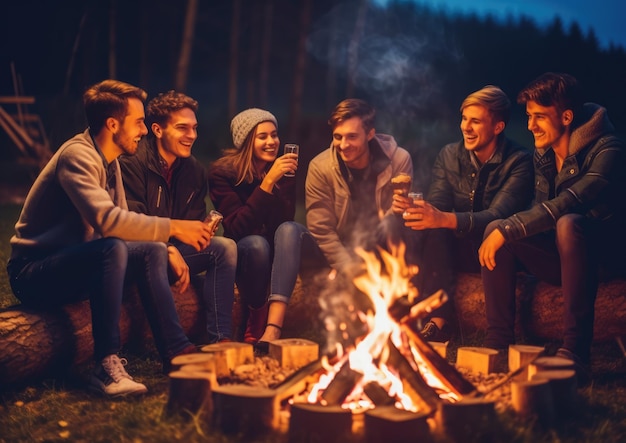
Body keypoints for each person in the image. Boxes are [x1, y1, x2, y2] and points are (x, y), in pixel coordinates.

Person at [6, 80, 213, 397]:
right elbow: (108, 221)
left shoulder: (110, 161)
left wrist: (164, 247)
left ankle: (176, 350)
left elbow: (128, 225)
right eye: (139, 122)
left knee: (148, 251)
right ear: (113, 124)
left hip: (75, 263)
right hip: (33, 272)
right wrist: (173, 227)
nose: (143, 131)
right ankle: (105, 364)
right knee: (113, 247)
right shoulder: (77, 156)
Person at [478, 72, 626, 384]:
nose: (530, 125)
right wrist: (505, 229)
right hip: (562, 256)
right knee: (496, 227)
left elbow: (572, 201)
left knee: (568, 223)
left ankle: (574, 352)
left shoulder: (608, 148)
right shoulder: (544, 155)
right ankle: (498, 343)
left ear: (567, 116)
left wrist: (512, 228)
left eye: (539, 117)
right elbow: (540, 212)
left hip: (604, 258)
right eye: (529, 116)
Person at [397, 85, 534, 342]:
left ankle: (432, 318)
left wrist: (442, 218)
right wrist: (412, 209)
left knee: (445, 225)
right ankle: (426, 320)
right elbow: (437, 206)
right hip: (452, 250)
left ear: (498, 127)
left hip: (497, 254)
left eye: (475, 121)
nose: (466, 127)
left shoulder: (519, 161)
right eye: (464, 119)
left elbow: (498, 214)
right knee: (401, 225)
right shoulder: (450, 155)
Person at [119, 90, 237, 344]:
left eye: (194, 128)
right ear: (158, 130)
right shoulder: (133, 162)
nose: (192, 136)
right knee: (156, 252)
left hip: (172, 253)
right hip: (139, 255)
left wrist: (202, 232)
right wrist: (167, 246)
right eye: (182, 128)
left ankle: (220, 339)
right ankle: (175, 346)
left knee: (224, 247)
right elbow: (129, 222)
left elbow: (192, 224)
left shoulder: (193, 170)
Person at [208, 108, 318, 354]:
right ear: (247, 141)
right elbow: (236, 228)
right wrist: (267, 184)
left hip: (280, 248)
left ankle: (272, 327)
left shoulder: (283, 170)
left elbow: (283, 221)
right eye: (262, 137)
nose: (272, 142)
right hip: (247, 249)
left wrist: (278, 182)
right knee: (257, 244)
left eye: (274, 135)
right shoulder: (222, 173)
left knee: (290, 229)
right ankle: (256, 315)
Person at [305, 98, 413, 275]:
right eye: (337, 137)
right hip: (339, 253)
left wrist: (398, 209)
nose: (343, 145)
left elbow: (397, 224)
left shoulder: (399, 160)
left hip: (382, 248)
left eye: (352, 136)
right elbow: (321, 230)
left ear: (370, 134)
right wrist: (350, 270)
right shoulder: (320, 167)